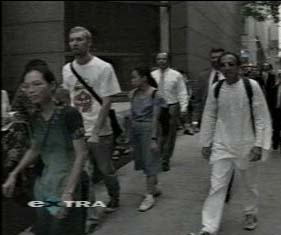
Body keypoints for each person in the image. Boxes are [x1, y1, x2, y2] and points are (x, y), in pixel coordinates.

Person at [189, 52, 272, 235]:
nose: (227, 68)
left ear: (238, 67)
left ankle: (250, 213)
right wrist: (206, 142)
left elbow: (261, 117)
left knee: (249, 183)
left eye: (231, 64)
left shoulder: (252, 86)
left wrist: (259, 145)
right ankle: (209, 227)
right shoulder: (216, 88)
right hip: (222, 144)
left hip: (247, 144)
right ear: (220, 68)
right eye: (223, 65)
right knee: (217, 186)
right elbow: (210, 115)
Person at [2, 63, 88, 235]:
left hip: (68, 184)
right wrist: (14, 173)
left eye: (37, 84)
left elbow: (82, 153)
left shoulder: (68, 114)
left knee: (64, 229)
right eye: (26, 86)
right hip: (46, 186)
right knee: (46, 227)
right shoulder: (35, 117)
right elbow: (35, 148)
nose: (31, 90)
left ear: (52, 85)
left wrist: (69, 192)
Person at [62, 26, 121, 230]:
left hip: (100, 131)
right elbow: (69, 99)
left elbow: (106, 101)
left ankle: (115, 196)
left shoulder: (104, 67)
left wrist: (96, 131)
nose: (75, 43)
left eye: (79, 40)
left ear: (89, 43)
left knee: (106, 171)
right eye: (72, 40)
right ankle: (90, 218)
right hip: (79, 131)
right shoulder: (67, 69)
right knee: (83, 173)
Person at [129, 66, 164, 212]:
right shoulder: (132, 94)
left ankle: (149, 195)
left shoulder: (155, 94)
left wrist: (154, 138)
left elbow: (156, 117)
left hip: (149, 129)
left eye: (134, 77)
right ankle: (154, 186)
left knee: (150, 161)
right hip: (136, 129)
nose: (132, 80)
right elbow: (131, 114)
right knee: (143, 160)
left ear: (143, 78)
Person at [151, 52, 188, 171]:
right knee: (157, 134)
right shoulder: (152, 75)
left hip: (171, 106)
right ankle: (157, 157)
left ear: (168, 61)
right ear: (156, 61)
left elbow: (182, 92)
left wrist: (183, 108)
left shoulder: (176, 75)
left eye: (164, 59)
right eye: (159, 59)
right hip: (157, 106)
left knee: (169, 135)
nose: (161, 61)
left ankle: (165, 159)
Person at [192, 48, 225, 131]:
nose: (215, 60)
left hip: (226, 117)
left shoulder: (230, 75)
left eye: (218, 57)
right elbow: (197, 99)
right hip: (208, 117)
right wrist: (195, 119)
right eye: (213, 57)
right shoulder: (203, 76)